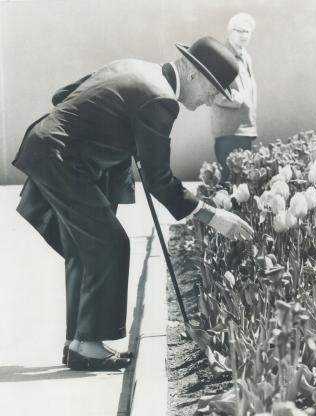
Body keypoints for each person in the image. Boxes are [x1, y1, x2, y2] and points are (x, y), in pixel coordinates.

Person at [12, 36, 254, 371]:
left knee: (86, 250)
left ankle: (79, 343)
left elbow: (63, 96)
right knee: (110, 244)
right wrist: (212, 216)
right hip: (61, 160)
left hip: (52, 149)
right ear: (195, 74)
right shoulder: (160, 100)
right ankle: (88, 346)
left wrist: (124, 134)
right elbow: (159, 181)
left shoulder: (136, 68)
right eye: (213, 90)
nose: (211, 101)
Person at [211, 13, 257, 183]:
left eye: (248, 32)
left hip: (245, 129)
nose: (245, 35)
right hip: (229, 132)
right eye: (240, 31)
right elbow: (214, 92)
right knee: (229, 183)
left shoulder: (246, 56)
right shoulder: (221, 55)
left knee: (244, 184)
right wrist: (239, 100)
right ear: (230, 32)